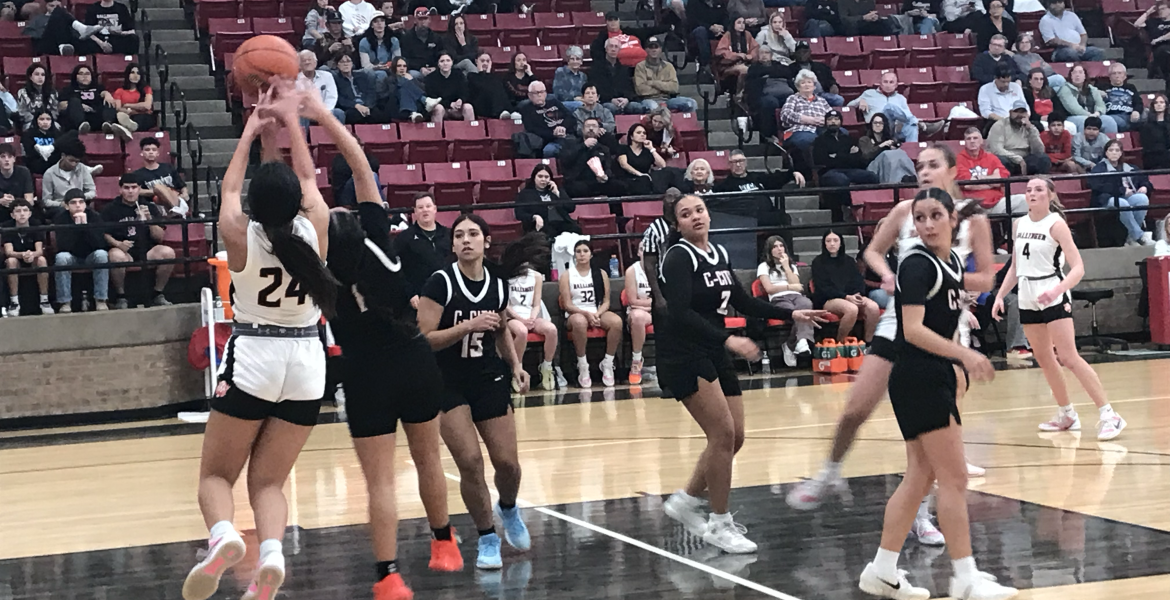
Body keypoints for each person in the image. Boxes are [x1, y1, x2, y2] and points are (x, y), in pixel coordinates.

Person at [181, 84, 334, 600]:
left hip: (255, 355)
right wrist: (291, 121)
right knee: (268, 481)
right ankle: (271, 554)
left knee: (215, 476)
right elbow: (309, 177)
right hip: (308, 362)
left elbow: (228, 192)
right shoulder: (317, 227)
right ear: (296, 202)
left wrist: (249, 130)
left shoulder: (239, 233)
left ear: (255, 203)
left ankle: (224, 536)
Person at [309, 94, 461, 600]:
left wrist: (283, 126)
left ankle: (389, 575)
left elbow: (307, 190)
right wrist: (320, 114)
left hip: (366, 373)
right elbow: (357, 160)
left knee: (380, 484)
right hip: (415, 360)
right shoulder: (383, 239)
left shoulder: (324, 271)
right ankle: (444, 544)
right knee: (428, 460)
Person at [787, 143, 996, 513]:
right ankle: (829, 470)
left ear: (952, 170)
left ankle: (924, 512)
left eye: (933, 165)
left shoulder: (973, 217)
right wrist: (888, 275)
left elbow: (986, 278)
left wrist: (943, 280)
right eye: (920, 166)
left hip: (946, 328)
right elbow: (872, 251)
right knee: (855, 408)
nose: (925, 171)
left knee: (931, 433)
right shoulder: (905, 211)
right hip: (899, 321)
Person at [857, 187, 1016, 600]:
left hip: (929, 374)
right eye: (920, 217)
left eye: (934, 216)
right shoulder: (917, 264)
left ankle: (882, 570)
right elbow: (913, 330)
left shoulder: (949, 264)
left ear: (952, 219)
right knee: (954, 477)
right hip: (919, 375)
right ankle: (965, 578)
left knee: (920, 477)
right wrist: (966, 355)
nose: (927, 224)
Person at [660, 193, 827, 553]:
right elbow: (679, 314)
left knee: (735, 438)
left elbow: (743, 299)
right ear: (678, 225)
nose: (696, 217)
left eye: (700, 210)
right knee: (721, 434)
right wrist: (729, 339)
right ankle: (719, 523)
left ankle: (686, 500)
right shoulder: (677, 257)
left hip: (713, 346)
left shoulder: (718, 253)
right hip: (684, 353)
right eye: (686, 215)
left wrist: (790, 315)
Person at [416, 214, 534, 570]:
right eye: (459, 235)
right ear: (452, 245)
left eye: (473, 234)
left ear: (486, 241)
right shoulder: (440, 283)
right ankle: (487, 537)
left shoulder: (498, 282)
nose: (466, 240)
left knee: (508, 465)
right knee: (470, 461)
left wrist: (515, 364)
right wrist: (466, 325)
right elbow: (423, 340)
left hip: (487, 375)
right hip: (446, 380)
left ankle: (508, 508)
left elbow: (498, 329)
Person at [992, 177, 1128, 440]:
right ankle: (1067, 413)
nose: (1032, 193)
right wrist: (1000, 295)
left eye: (1038, 189)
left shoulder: (1056, 224)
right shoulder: (1019, 223)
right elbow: (1015, 267)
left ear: (1050, 195)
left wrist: (1057, 289)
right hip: (1027, 294)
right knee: (1043, 357)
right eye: (1029, 190)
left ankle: (1109, 414)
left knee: (1068, 356)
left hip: (1052, 290)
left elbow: (1078, 268)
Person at [100, 173, 175, 308]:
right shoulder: (110, 209)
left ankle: (157, 293)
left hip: (147, 249)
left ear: (139, 189)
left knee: (168, 252)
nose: (130, 191)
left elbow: (159, 237)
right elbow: (103, 233)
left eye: (134, 187)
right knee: (115, 255)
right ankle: (121, 296)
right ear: (120, 189)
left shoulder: (150, 207)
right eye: (126, 188)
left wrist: (149, 221)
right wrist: (118, 244)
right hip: (124, 250)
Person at [559, 240, 623, 387]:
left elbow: (606, 301)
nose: (582, 254)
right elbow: (567, 305)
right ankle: (583, 365)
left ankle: (607, 363)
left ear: (591, 254)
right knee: (579, 322)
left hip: (597, 311)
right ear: (574, 255)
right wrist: (586, 314)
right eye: (578, 251)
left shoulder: (601, 274)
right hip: (576, 313)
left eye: (585, 251)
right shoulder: (567, 275)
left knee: (616, 322)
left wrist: (597, 314)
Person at [756, 235, 815, 367]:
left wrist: (786, 266)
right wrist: (788, 286)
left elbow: (798, 285)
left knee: (807, 306)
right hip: (778, 298)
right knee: (793, 311)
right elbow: (769, 288)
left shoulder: (791, 265)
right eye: (775, 247)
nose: (779, 249)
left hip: (796, 296)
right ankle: (800, 342)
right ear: (769, 250)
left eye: (781, 246)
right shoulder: (764, 266)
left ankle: (793, 343)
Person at [811, 230, 880, 341]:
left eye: (835, 240)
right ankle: (841, 342)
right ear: (824, 243)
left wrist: (857, 294)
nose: (832, 243)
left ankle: (868, 343)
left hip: (851, 296)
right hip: (829, 299)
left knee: (873, 307)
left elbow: (858, 281)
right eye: (828, 241)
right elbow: (823, 288)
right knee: (851, 309)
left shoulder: (849, 261)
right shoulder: (818, 262)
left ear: (841, 243)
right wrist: (846, 297)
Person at [815, 110, 879, 222]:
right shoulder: (820, 140)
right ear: (826, 122)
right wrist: (847, 155)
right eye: (830, 120)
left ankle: (868, 211)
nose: (833, 122)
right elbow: (822, 161)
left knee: (872, 177)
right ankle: (847, 206)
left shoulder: (848, 138)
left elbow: (858, 159)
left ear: (841, 122)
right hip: (829, 172)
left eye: (836, 119)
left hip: (850, 170)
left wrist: (837, 156)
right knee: (840, 180)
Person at [52, 189, 108, 312]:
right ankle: (65, 302)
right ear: (66, 206)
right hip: (71, 256)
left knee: (102, 255)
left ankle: (101, 300)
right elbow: (63, 246)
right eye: (73, 202)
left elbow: (99, 244)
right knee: (61, 257)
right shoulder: (61, 218)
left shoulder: (94, 216)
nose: (78, 205)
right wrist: (77, 228)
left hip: (90, 255)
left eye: (81, 202)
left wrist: (85, 226)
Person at [507, 259, 559, 391]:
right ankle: (517, 370)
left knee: (551, 329)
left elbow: (536, 304)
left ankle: (547, 367)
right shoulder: (505, 275)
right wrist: (520, 319)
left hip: (530, 315)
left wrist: (532, 318)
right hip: (512, 316)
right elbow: (505, 306)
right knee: (522, 331)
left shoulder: (536, 276)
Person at [1088, 140, 1153, 247]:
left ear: (1121, 153)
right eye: (1111, 150)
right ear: (1106, 152)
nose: (1114, 153)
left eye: (1117, 150)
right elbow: (1098, 186)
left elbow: (1145, 180)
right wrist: (1122, 190)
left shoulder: (1131, 167)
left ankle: (1131, 238)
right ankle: (1139, 236)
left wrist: (1144, 187)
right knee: (1122, 203)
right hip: (1108, 198)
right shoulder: (1099, 168)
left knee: (1142, 198)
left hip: (1130, 196)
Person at [394, 192, 452, 309]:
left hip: (449, 296)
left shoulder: (449, 235)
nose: (425, 210)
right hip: (419, 300)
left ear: (435, 209)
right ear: (415, 211)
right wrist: (410, 293)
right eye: (420, 207)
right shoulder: (404, 238)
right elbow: (397, 269)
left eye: (428, 206)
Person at [2, 198, 52, 315]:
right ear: (12, 215)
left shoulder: (36, 225)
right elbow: (8, 251)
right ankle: (14, 303)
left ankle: (44, 300)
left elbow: (39, 250)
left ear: (30, 213)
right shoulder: (7, 226)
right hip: (17, 258)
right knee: (11, 261)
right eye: (18, 211)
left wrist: (31, 255)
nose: (22, 213)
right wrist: (22, 255)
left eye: (25, 210)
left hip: (33, 257)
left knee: (41, 260)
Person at [848, 71, 924, 143]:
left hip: (895, 130)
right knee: (889, 107)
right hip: (878, 128)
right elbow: (848, 107)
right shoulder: (869, 94)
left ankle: (912, 153)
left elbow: (906, 116)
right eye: (885, 82)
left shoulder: (901, 98)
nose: (888, 85)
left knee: (913, 127)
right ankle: (920, 123)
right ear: (880, 84)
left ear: (896, 85)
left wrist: (910, 122)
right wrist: (860, 101)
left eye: (891, 82)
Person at [560, 116, 623, 199]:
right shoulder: (571, 144)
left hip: (598, 182)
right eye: (588, 126)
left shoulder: (604, 148)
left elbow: (608, 167)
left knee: (618, 186)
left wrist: (605, 176)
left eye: (594, 126)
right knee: (574, 188)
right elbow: (565, 160)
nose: (591, 128)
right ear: (582, 130)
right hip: (578, 180)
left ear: (599, 130)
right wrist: (584, 146)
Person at [62, 65, 130, 140]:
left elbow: (104, 94)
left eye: (87, 74)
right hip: (81, 117)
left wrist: (107, 94)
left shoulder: (98, 88)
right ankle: (81, 126)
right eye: (81, 74)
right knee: (74, 101)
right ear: (75, 76)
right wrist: (79, 106)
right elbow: (61, 105)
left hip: (97, 117)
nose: (84, 76)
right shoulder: (68, 90)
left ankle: (108, 124)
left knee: (108, 101)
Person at [745, 46, 794, 146]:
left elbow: (788, 72)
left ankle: (790, 132)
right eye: (761, 53)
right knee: (770, 103)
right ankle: (769, 134)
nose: (764, 55)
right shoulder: (754, 68)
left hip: (785, 91)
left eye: (766, 53)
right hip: (764, 93)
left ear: (771, 56)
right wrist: (771, 73)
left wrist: (767, 73)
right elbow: (751, 83)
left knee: (791, 101)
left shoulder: (779, 65)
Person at [987, 100, 1050, 176]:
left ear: (1027, 114)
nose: (1019, 115)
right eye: (1016, 112)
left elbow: (1039, 151)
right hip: (1008, 158)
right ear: (1010, 112)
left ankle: (1039, 184)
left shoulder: (1030, 128)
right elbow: (996, 150)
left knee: (1043, 158)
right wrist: (1017, 159)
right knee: (1000, 160)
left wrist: (1031, 130)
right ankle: (1006, 185)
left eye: (1022, 112)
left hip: (1025, 160)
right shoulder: (999, 125)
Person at [635, 37, 698, 113]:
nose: (654, 50)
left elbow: (674, 87)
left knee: (691, 103)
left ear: (661, 49)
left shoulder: (669, 66)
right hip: (648, 100)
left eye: (656, 47)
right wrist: (665, 87)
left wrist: (652, 83)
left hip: (668, 100)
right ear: (646, 50)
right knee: (653, 107)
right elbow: (641, 90)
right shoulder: (640, 66)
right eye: (651, 47)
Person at [514, 163, 577, 236]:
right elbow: (519, 214)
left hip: (562, 223)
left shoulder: (557, 190)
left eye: (546, 177)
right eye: (540, 176)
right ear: (534, 178)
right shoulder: (525, 193)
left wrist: (557, 193)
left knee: (576, 230)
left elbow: (571, 208)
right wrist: (534, 217)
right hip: (543, 226)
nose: (543, 179)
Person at [133, 136, 190, 217]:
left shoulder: (168, 167)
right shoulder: (137, 174)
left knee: (161, 189)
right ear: (141, 153)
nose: (151, 152)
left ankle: (177, 210)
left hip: (175, 197)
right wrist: (159, 191)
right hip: (156, 203)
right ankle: (177, 210)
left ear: (158, 153)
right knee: (158, 188)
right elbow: (138, 191)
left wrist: (184, 193)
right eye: (147, 150)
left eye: (154, 150)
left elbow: (182, 186)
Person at [589, 37, 647, 115]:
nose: (613, 49)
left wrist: (626, 99)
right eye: (611, 46)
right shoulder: (596, 68)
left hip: (624, 101)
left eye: (616, 47)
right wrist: (611, 99)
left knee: (636, 107)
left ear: (619, 50)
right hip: (606, 101)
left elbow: (629, 88)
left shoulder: (624, 69)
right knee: (611, 108)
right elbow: (597, 89)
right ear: (606, 49)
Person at [41, 133, 95, 217]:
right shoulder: (49, 173)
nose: (74, 164)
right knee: (63, 213)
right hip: (60, 207)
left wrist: (77, 198)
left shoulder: (82, 169)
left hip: (79, 204)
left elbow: (92, 191)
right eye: (71, 160)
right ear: (63, 156)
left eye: (77, 162)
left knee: (94, 215)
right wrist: (62, 204)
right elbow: (46, 201)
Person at [519, 81, 577, 158]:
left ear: (546, 93)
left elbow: (570, 117)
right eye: (536, 93)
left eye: (542, 92)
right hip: (549, 141)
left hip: (567, 136)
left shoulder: (554, 102)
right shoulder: (526, 109)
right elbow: (532, 129)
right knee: (549, 150)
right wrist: (553, 134)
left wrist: (563, 127)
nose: (539, 95)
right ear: (530, 95)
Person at [780, 69, 831, 153]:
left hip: (822, 129)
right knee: (809, 139)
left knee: (842, 133)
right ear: (798, 87)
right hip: (801, 129)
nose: (806, 85)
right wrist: (807, 119)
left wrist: (824, 120)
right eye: (803, 83)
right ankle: (814, 165)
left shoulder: (822, 100)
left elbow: (832, 116)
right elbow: (785, 115)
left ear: (814, 86)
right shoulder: (793, 98)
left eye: (809, 82)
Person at [623, 250, 654, 384]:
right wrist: (654, 304)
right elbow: (632, 301)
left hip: (658, 310)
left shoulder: (662, 267)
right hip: (639, 311)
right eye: (642, 249)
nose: (645, 252)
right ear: (638, 252)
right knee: (637, 317)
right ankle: (636, 360)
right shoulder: (632, 271)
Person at [859, 113, 916, 184]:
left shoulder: (889, 138)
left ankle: (910, 177)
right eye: (875, 123)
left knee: (901, 153)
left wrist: (893, 147)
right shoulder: (864, 139)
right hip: (873, 167)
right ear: (871, 124)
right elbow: (866, 155)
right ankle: (893, 183)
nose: (877, 125)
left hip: (888, 164)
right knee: (887, 155)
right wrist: (881, 146)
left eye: (880, 123)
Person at [1039, 0, 1104, 62]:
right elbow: (1051, 41)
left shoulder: (1071, 15)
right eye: (1054, 3)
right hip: (1059, 50)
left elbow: (1083, 34)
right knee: (1071, 53)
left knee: (1097, 52)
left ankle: (1090, 72)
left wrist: (1082, 45)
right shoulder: (1045, 20)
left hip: (1078, 47)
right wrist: (1071, 45)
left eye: (1060, 2)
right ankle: (1077, 70)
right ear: (1049, 5)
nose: (1058, 5)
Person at [334, 54, 390, 124]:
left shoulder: (362, 76)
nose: (346, 64)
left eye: (348, 61)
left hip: (367, 105)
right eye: (342, 62)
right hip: (351, 107)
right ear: (337, 65)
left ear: (352, 64)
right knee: (353, 116)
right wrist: (356, 106)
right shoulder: (336, 79)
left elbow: (371, 92)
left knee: (383, 116)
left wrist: (367, 106)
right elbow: (340, 98)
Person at [424, 51, 475, 124]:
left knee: (468, 107)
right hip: (442, 108)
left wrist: (461, 100)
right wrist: (449, 104)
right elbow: (432, 98)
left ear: (452, 62)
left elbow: (465, 91)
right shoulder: (430, 78)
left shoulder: (459, 75)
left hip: (456, 109)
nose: (445, 63)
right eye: (442, 61)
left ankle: (471, 134)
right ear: (438, 64)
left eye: (448, 60)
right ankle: (437, 134)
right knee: (438, 108)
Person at [616, 122, 665, 196]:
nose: (642, 135)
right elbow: (624, 164)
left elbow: (662, 165)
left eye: (644, 133)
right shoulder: (623, 148)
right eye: (638, 133)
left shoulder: (647, 152)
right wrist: (640, 174)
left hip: (643, 182)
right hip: (626, 181)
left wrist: (651, 149)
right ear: (631, 136)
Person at [298, 50, 346, 125]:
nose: (307, 62)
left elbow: (332, 96)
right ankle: (303, 137)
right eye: (304, 61)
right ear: (299, 65)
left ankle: (338, 136)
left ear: (315, 62)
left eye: (310, 60)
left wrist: (325, 112)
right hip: (305, 112)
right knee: (300, 116)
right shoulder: (295, 80)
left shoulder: (327, 76)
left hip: (324, 110)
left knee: (339, 113)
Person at [790, 41, 843, 107]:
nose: (802, 54)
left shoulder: (821, 66)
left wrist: (833, 85)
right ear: (795, 54)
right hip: (803, 96)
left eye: (805, 52)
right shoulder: (790, 68)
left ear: (810, 52)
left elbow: (830, 79)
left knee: (839, 100)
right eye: (799, 52)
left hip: (822, 94)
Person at [714, 17, 758, 96]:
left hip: (746, 63)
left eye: (743, 23)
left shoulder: (747, 34)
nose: (742, 25)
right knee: (744, 70)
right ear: (733, 24)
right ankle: (739, 95)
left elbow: (755, 48)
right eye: (739, 23)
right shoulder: (728, 35)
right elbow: (720, 51)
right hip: (728, 66)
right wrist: (737, 55)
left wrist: (751, 55)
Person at [468, 52, 518, 120]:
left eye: (488, 61)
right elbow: (480, 88)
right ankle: (502, 112)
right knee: (492, 87)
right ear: (476, 61)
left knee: (498, 86)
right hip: (482, 105)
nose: (485, 63)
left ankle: (507, 112)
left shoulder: (496, 77)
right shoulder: (472, 76)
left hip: (494, 104)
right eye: (482, 61)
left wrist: (488, 73)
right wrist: (484, 73)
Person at [110, 63, 154, 132]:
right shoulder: (120, 91)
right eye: (132, 72)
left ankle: (129, 127)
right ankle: (128, 126)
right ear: (127, 75)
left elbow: (147, 106)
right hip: (127, 115)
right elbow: (118, 108)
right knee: (117, 116)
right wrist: (130, 111)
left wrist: (128, 105)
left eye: (138, 73)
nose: (135, 76)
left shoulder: (147, 89)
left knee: (143, 118)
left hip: (142, 116)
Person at [399, 6, 442, 77]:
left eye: (425, 19)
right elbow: (405, 59)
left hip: (433, 69)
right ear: (415, 20)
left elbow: (441, 55)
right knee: (414, 75)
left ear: (429, 20)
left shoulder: (436, 38)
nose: (423, 22)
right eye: (420, 19)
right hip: (415, 70)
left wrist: (435, 67)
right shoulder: (406, 37)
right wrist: (420, 68)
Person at [1136, 4, 1170, 91]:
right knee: (1163, 52)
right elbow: (1137, 24)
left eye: (1163, 9)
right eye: (1158, 10)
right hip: (1160, 50)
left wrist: (1159, 39)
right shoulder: (1154, 22)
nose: (1160, 11)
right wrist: (1149, 11)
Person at [1102, 62, 1142, 134]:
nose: (1117, 76)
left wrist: (1136, 111)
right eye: (1114, 73)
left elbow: (1138, 102)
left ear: (1125, 76)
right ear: (1109, 76)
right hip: (1111, 116)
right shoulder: (1103, 87)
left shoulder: (1131, 87)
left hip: (1128, 116)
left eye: (1119, 73)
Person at [689, 0, 729, 71]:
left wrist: (722, 27)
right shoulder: (693, 2)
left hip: (718, 31)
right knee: (700, 31)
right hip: (698, 32)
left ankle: (728, 60)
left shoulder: (719, 2)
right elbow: (692, 21)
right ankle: (706, 64)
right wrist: (710, 27)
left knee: (731, 30)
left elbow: (725, 17)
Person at [16, 64, 58, 131]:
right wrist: (37, 121)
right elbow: (22, 112)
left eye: (43, 75)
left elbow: (55, 110)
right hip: (30, 122)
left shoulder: (53, 92)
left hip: (49, 121)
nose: (40, 77)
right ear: (30, 77)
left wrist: (47, 120)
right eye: (37, 74)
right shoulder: (22, 92)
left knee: (57, 126)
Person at [0, 144, 35, 223]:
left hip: (20, 209)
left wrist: (14, 203)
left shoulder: (24, 172)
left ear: (14, 159)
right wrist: (1, 201)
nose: (6, 160)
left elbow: (29, 200)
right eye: (3, 156)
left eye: (10, 156)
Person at [359, 13, 398, 83]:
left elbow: (397, 60)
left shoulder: (394, 40)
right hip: (372, 71)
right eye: (376, 21)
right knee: (381, 74)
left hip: (391, 69)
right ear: (371, 25)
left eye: (382, 21)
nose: (379, 24)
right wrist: (376, 67)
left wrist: (389, 66)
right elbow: (365, 65)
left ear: (385, 24)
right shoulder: (364, 42)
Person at [21, 110, 60, 175]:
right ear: (36, 120)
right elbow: (30, 152)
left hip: (54, 164)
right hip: (36, 164)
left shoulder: (58, 134)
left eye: (48, 119)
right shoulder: (28, 134)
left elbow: (58, 152)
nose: (45, 122)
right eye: (42, 119)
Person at [553, 46, 588, 111]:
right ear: (568, 61)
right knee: (580, 105)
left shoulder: (583, 76)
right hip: (564, 103)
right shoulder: (560, 72)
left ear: (581, 62)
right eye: (572, 59)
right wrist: (574, 99)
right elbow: (558, 94)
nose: (575, 61)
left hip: (581, 102)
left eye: (577, 59)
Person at [1141, 93, 1170, 169]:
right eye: (1156, 103)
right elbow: (1146, 145)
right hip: (1153, 157)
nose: (1159, 105)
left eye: (1161, 102)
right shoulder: (1146, 125)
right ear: (1153, 106)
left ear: (1166, 105)